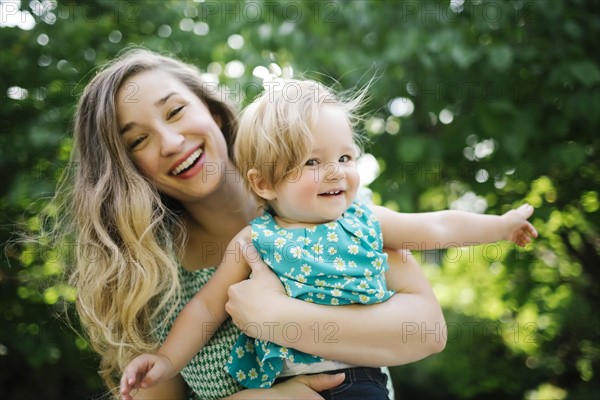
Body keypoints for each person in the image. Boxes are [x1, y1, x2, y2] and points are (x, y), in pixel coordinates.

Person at [48, 48, 450, 400]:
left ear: (213, 110)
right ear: (126, 169)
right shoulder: (151, 278)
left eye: (176, 111)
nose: (171, 142)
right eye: (138, 140)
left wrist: (275, 318)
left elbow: (426, 332)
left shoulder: (326, 207)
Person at [119, 78, 538, 399]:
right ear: (263, 182)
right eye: (312, 162)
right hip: (284, 382)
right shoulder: (254, 240)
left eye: (343, 157)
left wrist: (501, 226)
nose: (336, 171)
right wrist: (166, 359)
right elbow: (206, 306)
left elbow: (438, 227)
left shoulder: (363, 222)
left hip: (357, 380)